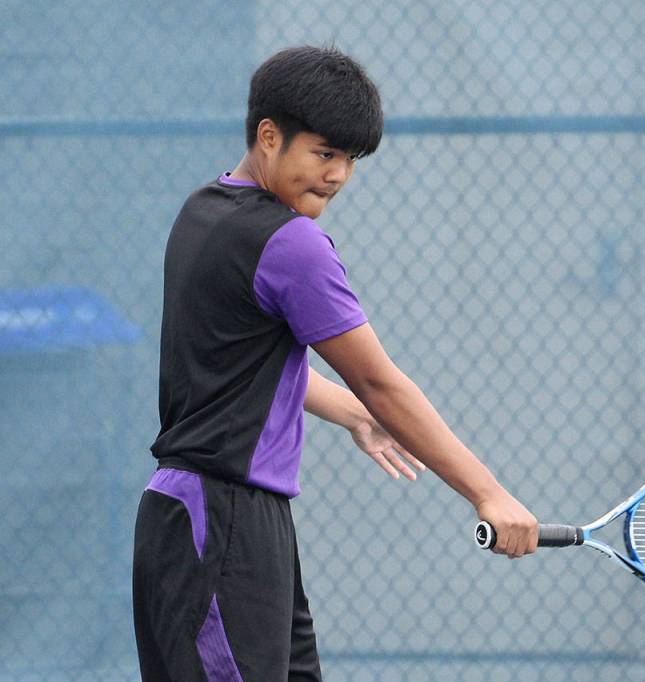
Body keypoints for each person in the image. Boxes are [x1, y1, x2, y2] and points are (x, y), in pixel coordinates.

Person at [133, 45, 538, 681]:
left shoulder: (203, 211)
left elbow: (237, 362)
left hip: (205, 521)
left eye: (351, 159)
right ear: (269, 136)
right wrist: (488, 493)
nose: (339, 175)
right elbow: (380, 381)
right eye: (324, 153)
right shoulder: (291, 243)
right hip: (222, 526)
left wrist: (350, 413)